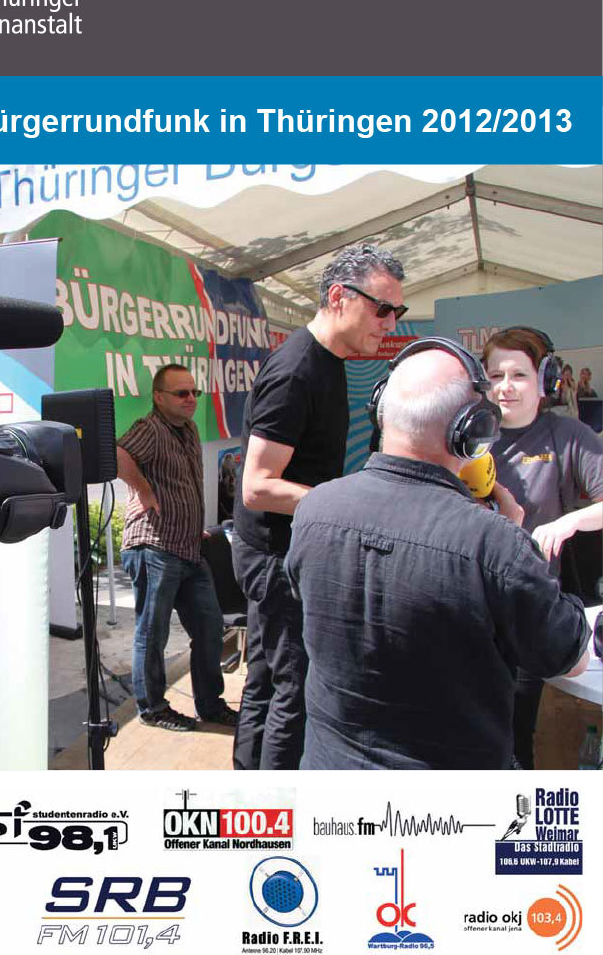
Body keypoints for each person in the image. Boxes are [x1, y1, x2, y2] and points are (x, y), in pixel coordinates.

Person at [285, 339, 590, 770]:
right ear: (472, 431)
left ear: (381, 412)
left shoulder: (314, 509)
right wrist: (517, 549)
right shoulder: (497, 545)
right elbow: (571, 658)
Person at [232, 243, 406, 770]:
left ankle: (249, 787)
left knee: (266, 679)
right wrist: (343, 505)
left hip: (283, 549)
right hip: (276, 556)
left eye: (397, 311)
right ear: (338, 297)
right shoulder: (297, 371)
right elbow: (257, 486)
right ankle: (280, 806)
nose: (391, 323)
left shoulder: (329, 361)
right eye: (382, 308)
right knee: (295, 689)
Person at [482, 327, 603, 768]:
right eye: (496, 375)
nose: (505, 387)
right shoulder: (466, 436)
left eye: (519, 375)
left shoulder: (568, 435)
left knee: (514, 739)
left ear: (544, 380)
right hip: (467, 607)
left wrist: (571, 521)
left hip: (526, 610)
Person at [117, 363, 237, 731]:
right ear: (158, 397)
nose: (190, 399)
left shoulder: (189, 429)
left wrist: (192, 525)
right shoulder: (149, 428)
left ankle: (210, 705)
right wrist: (143, 489)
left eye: (194, 392)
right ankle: (153, 709)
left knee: (210, 628)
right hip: (154, 546)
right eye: (181, 393)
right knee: (153, 634)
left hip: (187, 548)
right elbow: (118, 454)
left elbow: (182, 485)